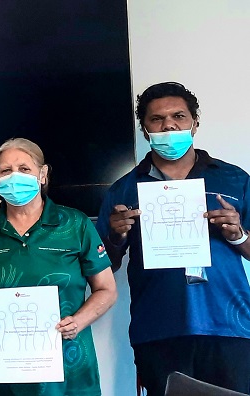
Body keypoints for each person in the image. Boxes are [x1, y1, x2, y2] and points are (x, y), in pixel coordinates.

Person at [96, 82, 250, 395]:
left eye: (179, 116)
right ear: (144, 129)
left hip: (229, 324)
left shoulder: (233, 179)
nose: (169, 124)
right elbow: (102, 267)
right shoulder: (123, 189)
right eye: (157, 119)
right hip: (158, 328)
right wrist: (116, 236)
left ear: (195, 123)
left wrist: (238, 235)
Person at [0, 138, 117, 396]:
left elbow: (107, 290)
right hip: (4, 368)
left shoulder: (74, 224)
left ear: (42, 174)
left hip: (70, 368)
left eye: (24, 169)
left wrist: (78, 322)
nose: (14, 177)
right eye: (5, 171)